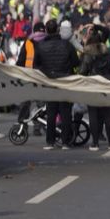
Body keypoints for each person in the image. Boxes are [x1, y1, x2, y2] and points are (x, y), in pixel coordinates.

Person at [33, 19, 80, 149]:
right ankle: (65, 142)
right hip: (64, 80)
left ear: (47, 30)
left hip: (49, 81)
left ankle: (50, 141)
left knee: (51, 113)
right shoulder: (67, 45)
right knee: (65, 113)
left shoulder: (40, 46)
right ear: (58, 30)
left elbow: (35, 66)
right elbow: (76, 62)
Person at [80, 27, 110, 150]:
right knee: (107, 116)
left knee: (93, 115)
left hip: (92, 86)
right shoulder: (107, 53)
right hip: (105, 85)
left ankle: (95, 143)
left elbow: (83, 71)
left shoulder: (88, 54)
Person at [16, 21, 47, 136]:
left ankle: (24, 127)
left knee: (27, 105)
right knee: (40, 106)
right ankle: (37, 127)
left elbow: (20, 61)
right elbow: (21, 60)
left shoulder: (28, 43)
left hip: (29, 78)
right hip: (38, 78)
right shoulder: (44, 42)